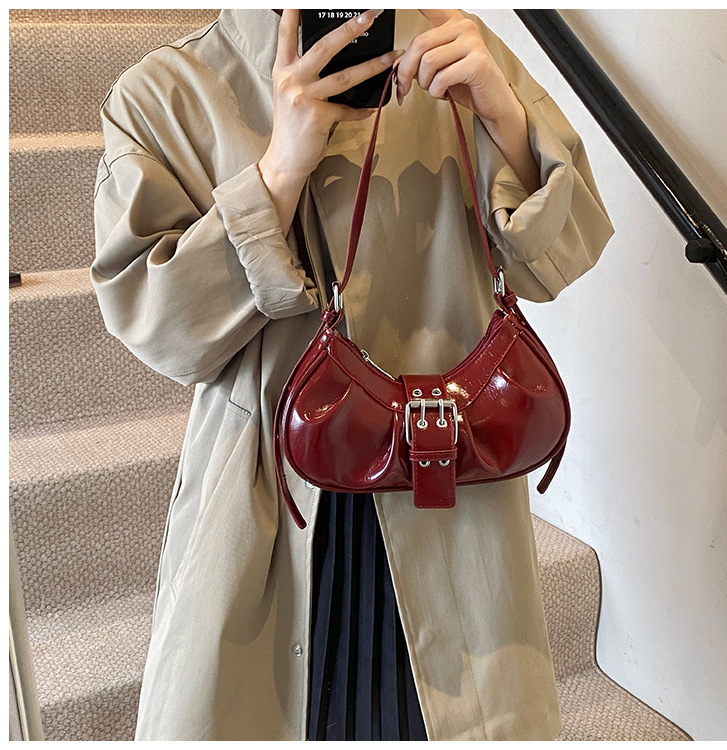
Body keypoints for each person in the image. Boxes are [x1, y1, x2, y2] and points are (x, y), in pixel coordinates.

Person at [91, 8, 614, 742]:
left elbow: (561, 258)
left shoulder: (451, 49)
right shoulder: (165, 93)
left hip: (450, 483)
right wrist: (276, 175)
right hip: (272, 495)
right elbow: (160, 328)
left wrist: (508, 120)